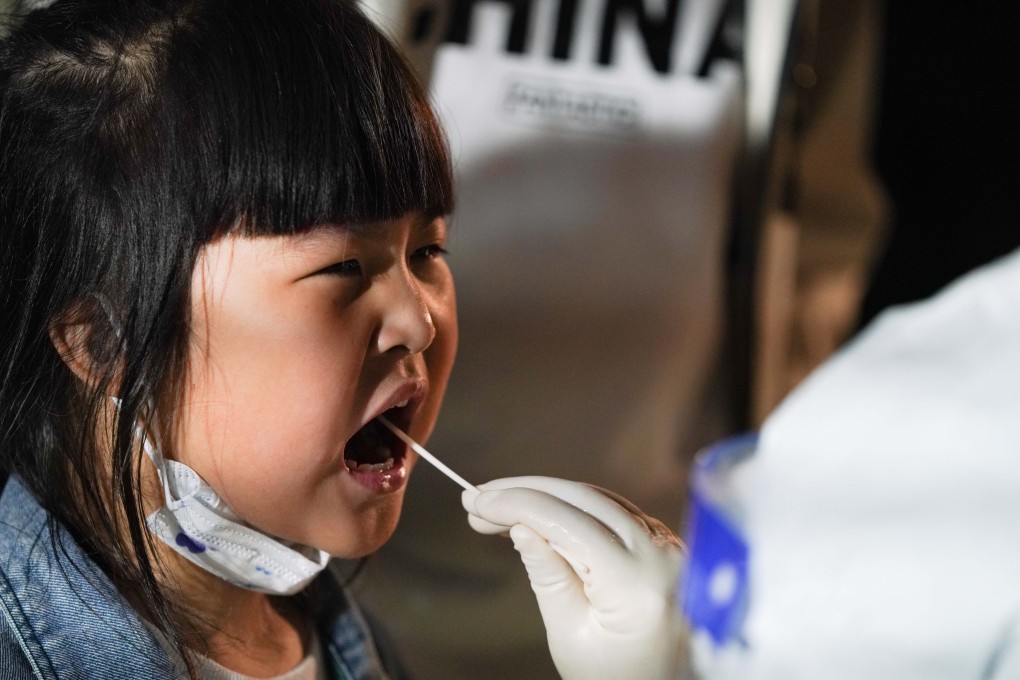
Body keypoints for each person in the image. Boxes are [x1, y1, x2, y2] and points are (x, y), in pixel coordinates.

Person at [0, 0, 457, 676]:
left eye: (428, 251)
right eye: (342, 267)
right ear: (103, 342)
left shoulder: (360, 649)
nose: (419, 322)